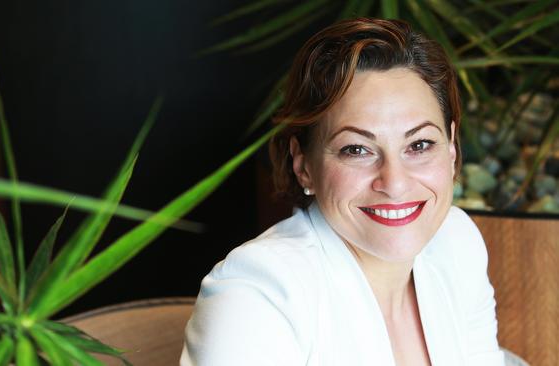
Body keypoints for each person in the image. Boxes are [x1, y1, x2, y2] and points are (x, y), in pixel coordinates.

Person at [181, 18, 504, 365]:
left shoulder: (456, 242)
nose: (394, 183)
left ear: (452, 148)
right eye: (356, 149)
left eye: (420, 144)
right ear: (303, 164)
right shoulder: (257, 295)